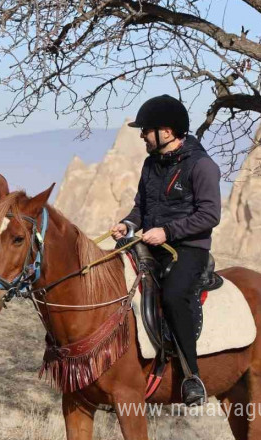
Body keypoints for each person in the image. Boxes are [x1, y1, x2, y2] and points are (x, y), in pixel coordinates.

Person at [110, 94, 221, 406]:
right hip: (150, 242)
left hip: (188, 249)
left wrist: (168, 231)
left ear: (167, 133)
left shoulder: (202, 166)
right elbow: (141, 207)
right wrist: (126, 223)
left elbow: (210, 215)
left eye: (146, 130)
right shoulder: (151, 164)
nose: (142, 135)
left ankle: (191, 376)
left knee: (173, 295)